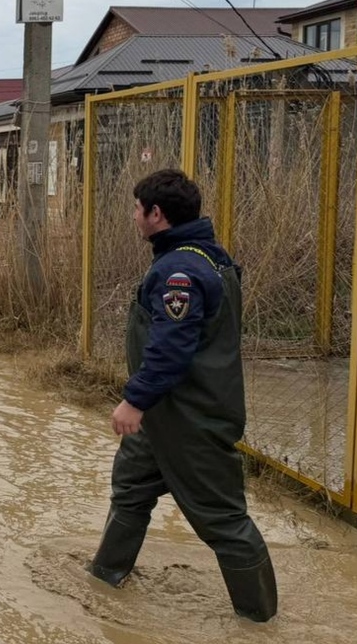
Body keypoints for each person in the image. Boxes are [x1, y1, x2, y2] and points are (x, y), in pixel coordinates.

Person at [89, 169, 276, 623]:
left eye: (137, 209)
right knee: (131, 491)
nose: (133, 216)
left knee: (224, 520)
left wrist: (133, 399)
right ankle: (102, 583)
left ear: (157, 215)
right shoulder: (203, 256)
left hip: (192, 419)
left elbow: (171, 348)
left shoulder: (180, 270)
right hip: (163, 417)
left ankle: (262, 621)